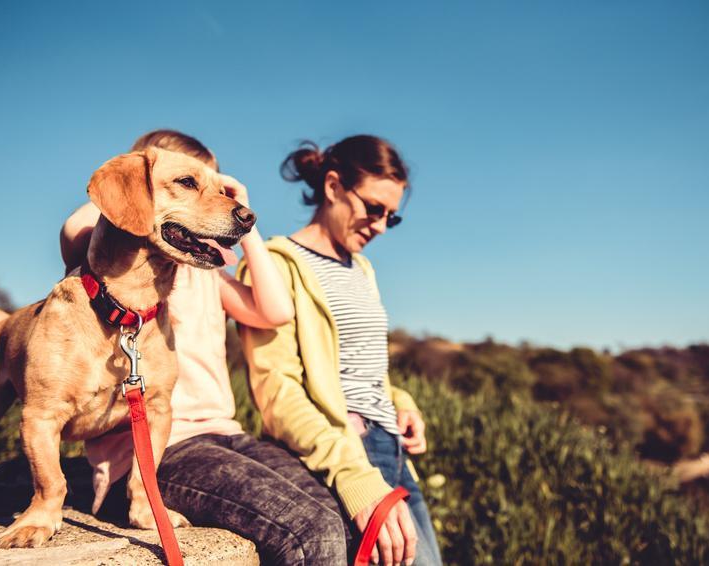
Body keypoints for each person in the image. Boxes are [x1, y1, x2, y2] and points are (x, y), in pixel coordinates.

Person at [60, 129, 348, 565]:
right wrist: (144, 170)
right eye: (189, 184)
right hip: (159, 449)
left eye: (215, 185)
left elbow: (274, 311)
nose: (210, 195)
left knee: (337, 515)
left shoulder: (204, 272)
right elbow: (78, 225)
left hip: (225, 435)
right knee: (314, 531)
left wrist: (244, 215)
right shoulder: (109, 265)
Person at [237, 135, 442, 566]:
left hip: (395, 454)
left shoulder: (362, 268)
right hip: (345, 454)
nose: (381, 226)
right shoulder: (276, 263)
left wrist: (401, 404)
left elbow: (365, 368)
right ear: (332, 187)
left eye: (392, 217)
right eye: (373, 208)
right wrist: (353, 476)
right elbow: (278, 393)